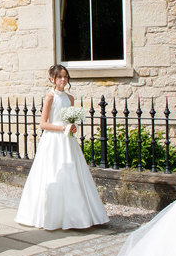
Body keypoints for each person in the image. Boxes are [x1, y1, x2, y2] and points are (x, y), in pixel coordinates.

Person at [15, 65, 109, 230]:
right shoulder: (50, 97)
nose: (63, 80)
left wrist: (71, 127)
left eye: (65, 77)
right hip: (53, 141)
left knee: (72, 172)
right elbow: (43, 124)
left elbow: (69, 119)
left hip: (68, 141)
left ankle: (77, 215)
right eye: (60, 77)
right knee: (53, 173)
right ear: (52, 79)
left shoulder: (70, 98)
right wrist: (62, 128)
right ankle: (52, 215)